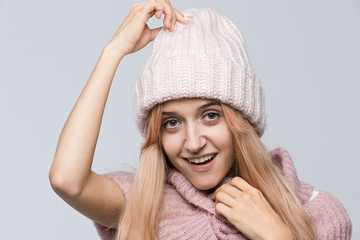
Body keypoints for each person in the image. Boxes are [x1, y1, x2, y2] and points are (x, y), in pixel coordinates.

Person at [49, 1, 352, 239]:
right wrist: (113, 52)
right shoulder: (144, 204)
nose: (193, 143)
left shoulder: (318, 213)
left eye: (210, 116)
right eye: (172, 123)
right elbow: (67, 180)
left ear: (242, 121)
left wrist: (278, 236)